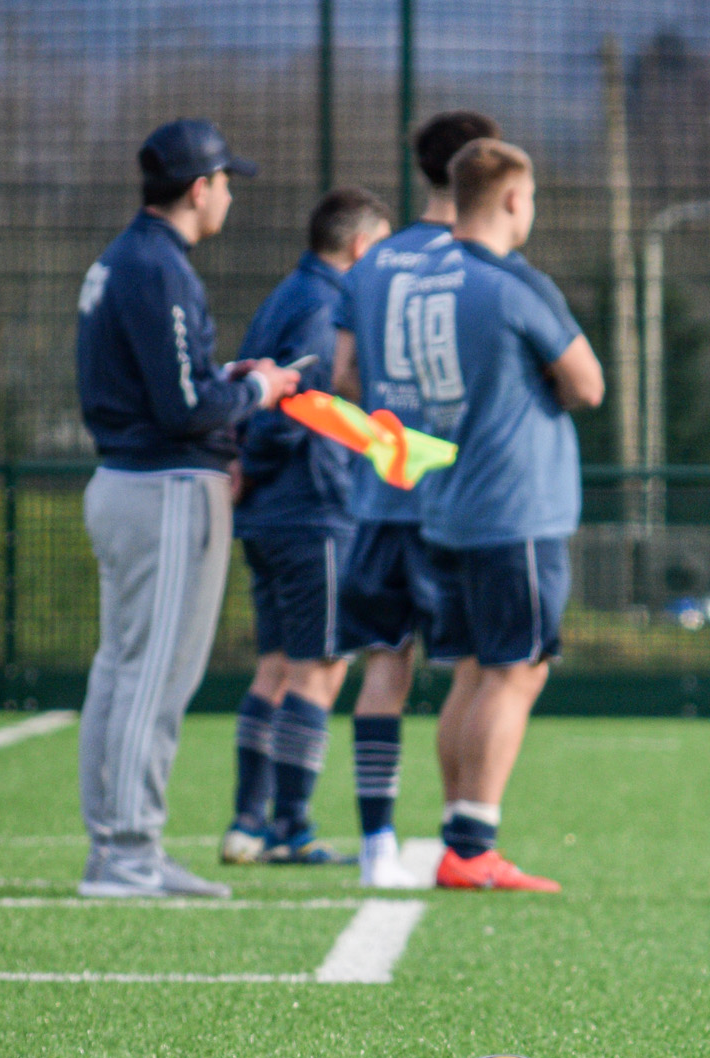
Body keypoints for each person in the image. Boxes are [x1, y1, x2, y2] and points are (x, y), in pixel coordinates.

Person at [74, 117, 301, 898]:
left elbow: (174, 385)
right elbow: (181, 408)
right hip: (165, 488)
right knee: (153, 675)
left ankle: (118, 847)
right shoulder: (158, 266)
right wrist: (257, 391)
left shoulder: (126, 258)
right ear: (199, 188)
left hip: (129, 482)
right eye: (227, 182)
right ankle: (128, 853)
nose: (231, 196)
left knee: (123, 669)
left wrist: (227, 379)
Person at [410, 138, 605, 891]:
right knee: (515, 673)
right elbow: (586, 385)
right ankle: (472, 845)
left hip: (446, 502)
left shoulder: (426, 281)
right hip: (514, 507)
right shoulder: (515, 283)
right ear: (514, 201)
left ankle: (458, 836)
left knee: (472, 670)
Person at [330, 109, 501, 889]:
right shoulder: (474, 260)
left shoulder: (370, 263)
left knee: (382, 672)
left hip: (377, 497)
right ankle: (461, 837)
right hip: (452, 502)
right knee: (473, 673)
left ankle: (375, 847)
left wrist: (390, 434)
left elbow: (342, 381)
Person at [223, 186, 392, 866]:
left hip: (269, 515)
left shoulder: (284, 295)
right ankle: (289, 828)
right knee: (317, 672)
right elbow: (296, 408)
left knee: (274, 670)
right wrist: (258, 464)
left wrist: (245, 470)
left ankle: (247, 822)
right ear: (359, 247)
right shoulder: (327, 307)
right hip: (311, 510)